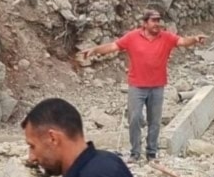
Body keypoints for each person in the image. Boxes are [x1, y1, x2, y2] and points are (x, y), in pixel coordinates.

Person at [80, 10, 206, 162]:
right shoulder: (132, 37)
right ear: (145, 23)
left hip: (157, 86)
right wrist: (95, 50)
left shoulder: (166, 37)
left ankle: (151, 153)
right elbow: (113, 47)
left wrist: (195, 39)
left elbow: (183, 42)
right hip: (137, 86)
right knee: (134, 118)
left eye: (158, 20)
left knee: (155, 120)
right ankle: (135, 152)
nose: (157, 24)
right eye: (153, 20)